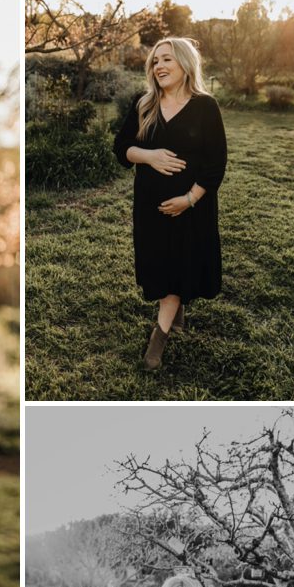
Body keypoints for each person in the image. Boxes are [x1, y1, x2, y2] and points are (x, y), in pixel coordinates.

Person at [112, 36, 227, 370]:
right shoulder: (143, 104)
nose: (158, 66)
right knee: (161, 267)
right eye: (155, 61)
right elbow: (121, 149)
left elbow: (215, 163)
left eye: (166, 60)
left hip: (192, 207)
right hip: (149, 208)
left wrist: (189, 199)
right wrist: (149, 156)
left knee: (177, 270)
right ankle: (175, 309)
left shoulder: (206, 106)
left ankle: (156, 344)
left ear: (185, 64)